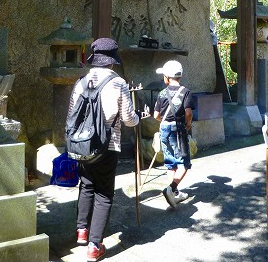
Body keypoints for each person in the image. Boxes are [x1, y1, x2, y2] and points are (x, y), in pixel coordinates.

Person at [69, 37, 142, 262]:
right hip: (108, 145)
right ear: (111, 60)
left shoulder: (81, 81)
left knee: (86, 185)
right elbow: (128, 118)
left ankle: (82, 231)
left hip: (83, 144)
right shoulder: (118, 83)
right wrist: (138, 119)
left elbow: (71, 114)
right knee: (104, 193)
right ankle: (94, 245)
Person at [152, 59, 195, 208]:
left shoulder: (162, 93)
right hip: (178, 130)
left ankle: (174, 194)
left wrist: (164, 121)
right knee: (184, 164)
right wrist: (188, 124)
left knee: (171, 163)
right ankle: (171, 189)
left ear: (167, 77)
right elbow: (188, 113)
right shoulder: (186, 92)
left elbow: (156, 115)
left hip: (164, 128)